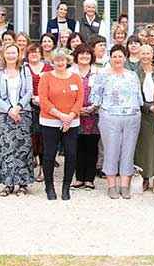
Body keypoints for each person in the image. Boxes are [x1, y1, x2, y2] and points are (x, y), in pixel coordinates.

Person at [90, 45, 142, 200]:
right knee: (111, 150)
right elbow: (95, 98)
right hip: (110, 118)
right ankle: (111, 185)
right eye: (114, 56)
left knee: (128, 151)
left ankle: (125, 186)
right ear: (110, 58)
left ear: (125, 58)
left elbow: (139, 97)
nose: (117, 59)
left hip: (132, 117)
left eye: (120, 56)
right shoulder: (102, 75)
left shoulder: (132, 75)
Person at [37, 48, 84, 201]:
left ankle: (66, 187)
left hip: (72, 122)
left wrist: (69, 117)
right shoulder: (46, 77)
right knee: (50, 154)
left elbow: (79, 100)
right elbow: (43, 100)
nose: (60, 63)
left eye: (62, 60)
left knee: (71, 154)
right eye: (57, 60)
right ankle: (49, 186)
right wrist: (61, 116)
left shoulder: (76, 78)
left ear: (67, 61)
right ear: (52, 61)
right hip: (50, 121)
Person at [0, 43, 34, 195]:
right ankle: (8, 183)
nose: (11, 55)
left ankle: (23, 183)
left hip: (23, 114)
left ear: (19, 54)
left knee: (23, 149)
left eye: (14, 53)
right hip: (4, 115)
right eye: (8, 53)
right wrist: (9, 109)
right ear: (4, 54)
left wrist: (18, 107)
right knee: (6, 149)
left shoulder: (25, 70)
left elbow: (29, 91)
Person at [70, 44, 99, 189]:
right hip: (74, 115)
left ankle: (89, 179)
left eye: (88, 54)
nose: (84, 56)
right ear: (76, 56)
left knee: (92, 146)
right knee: (77, 146)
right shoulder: (70, 72)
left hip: (93, 115)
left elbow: (101, 92)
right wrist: (76, 110)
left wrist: (93, 108)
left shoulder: (98, 73)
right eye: (81, 54)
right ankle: (79, 177)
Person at [134, 43, 154, 193]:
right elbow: (134, 96)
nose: (145, 56)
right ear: (139, 55)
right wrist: (148, 107)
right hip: (143, 114)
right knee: (143, 147)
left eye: (148, 53)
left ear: (152, 55)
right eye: (142, 53)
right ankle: (144, 176)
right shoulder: (134, 74)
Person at [25, 44, 52, 183]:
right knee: (30, 139)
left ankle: (43, 168)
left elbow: (53, 85)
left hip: (45, 107)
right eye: (31, 52)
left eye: (36, 52)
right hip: (27, 107)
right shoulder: (23, 68)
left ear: (41, 53)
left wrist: (42, 99)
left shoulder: (48, 68)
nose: (34, 54)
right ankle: (30, 167)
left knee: (43, 138)